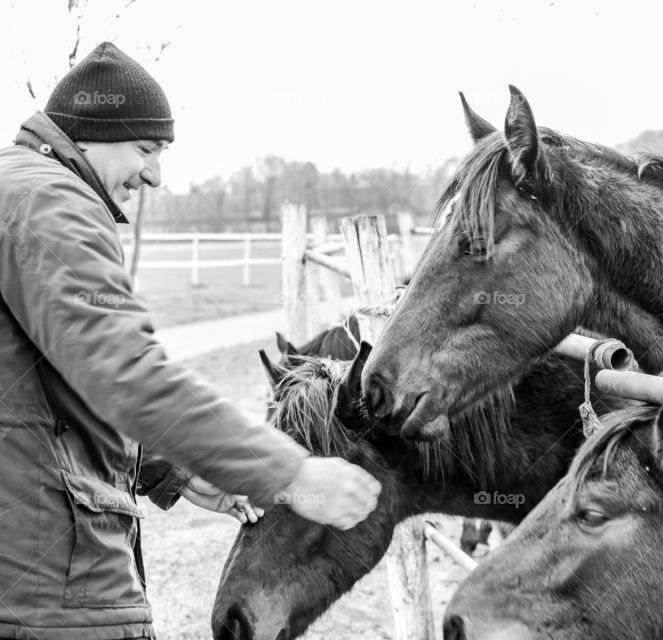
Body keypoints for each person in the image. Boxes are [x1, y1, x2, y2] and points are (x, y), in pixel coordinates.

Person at [0, 42, 380, 639]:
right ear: (93, 135)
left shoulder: (16, 190)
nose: (154, 174)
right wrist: (292, 476)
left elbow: (49, 387)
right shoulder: (51, 203)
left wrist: (173, 470)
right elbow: (127, 373)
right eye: (145, 149)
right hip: (45, 598)